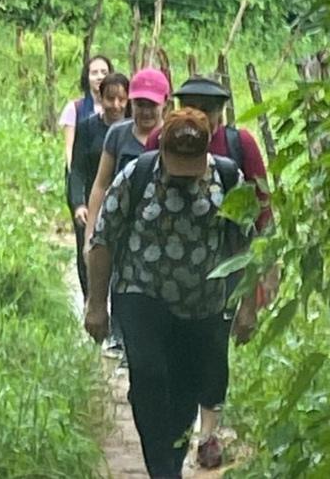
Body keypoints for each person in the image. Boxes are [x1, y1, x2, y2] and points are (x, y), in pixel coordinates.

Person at [84, 108, 258, 479]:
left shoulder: (228, 180)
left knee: (185, 395)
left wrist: (248, 306)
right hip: (141, 294)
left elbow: (245, 245)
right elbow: (103, 241)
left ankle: (170, 465)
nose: (184, 174)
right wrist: (96, 304)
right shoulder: (137, 176)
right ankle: (163, 471)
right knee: (147, 376)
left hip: (202, 306)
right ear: (161, 149)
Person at [145, 75, 275, 469]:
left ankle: (209, 434)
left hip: (225, 266)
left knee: (214, 350)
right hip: (169, 271)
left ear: (221, 114)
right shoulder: (160, 142)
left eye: (211, 111)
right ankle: (176, 429)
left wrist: (264, 275)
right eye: (195, 108)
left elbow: (262, 210)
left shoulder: (241, 145)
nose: (204, 118)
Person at [84, 67, 171, 359]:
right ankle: (123, 342)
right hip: (122, 225)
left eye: (152, 105)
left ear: (165, 104)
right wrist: (91, 232)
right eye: (140, 104)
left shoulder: (173, 135)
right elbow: (101, 184)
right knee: (121, 281)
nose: (145, 111)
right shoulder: (118, 134)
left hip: (162, 230)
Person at [67, 71, 130, 299]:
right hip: (94, 205)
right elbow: (78, 170)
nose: (116, 105)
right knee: (89, 255)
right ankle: (90, 302)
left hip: (124, 207)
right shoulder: (87, 128)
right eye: (110, 99)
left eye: (121, 99)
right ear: (101, 100)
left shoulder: (135, 131)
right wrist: (78, 204)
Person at [61, 55, 113, 171]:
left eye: (104, 72)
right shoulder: (74, 108)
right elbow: (69, 148)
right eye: (94, 73)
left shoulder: (118, 109)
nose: (100, 77)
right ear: (87, 77)